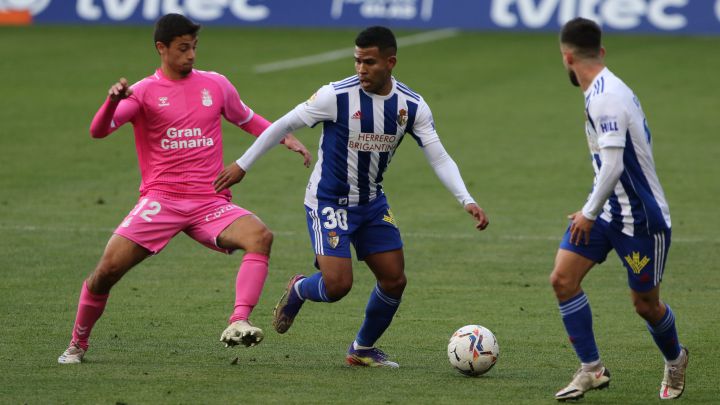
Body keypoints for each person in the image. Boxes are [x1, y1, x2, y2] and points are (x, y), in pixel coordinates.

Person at [213, 26, 489, 368]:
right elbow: (284, 124)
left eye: (369, 62)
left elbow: (439, 156)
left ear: (390, 62)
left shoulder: (411, 106)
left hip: (372, 203)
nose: (361, 69)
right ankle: (299, 290)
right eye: (357, 61)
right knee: (338, 285)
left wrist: (466, 199)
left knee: (394, 279)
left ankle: (361, 349)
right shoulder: (335, 96)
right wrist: (243, 164)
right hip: (328, 201)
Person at [57, 13, 311, 364]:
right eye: (182, 48)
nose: (191, 55)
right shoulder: (144, 93)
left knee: (260, 236)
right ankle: (77, 343)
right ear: (162, 48)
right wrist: (112, 101)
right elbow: (98, 131)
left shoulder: (216, 85)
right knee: (106, 273)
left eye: (193, 47)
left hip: (210, 202)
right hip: (161, 201)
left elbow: (247, 118)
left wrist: (284, 137)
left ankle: (238, 320)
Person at [550, 17, 688, 401]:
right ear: (602, 52)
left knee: (645, 305)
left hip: (642, 221)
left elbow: (612, 165)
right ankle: (592, 369)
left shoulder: (607, 96)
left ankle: (675, 359)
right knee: (562, 279)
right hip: (608, 210)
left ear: (566, 57)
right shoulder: (601, 88)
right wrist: (594, 210)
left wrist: (587, 213)